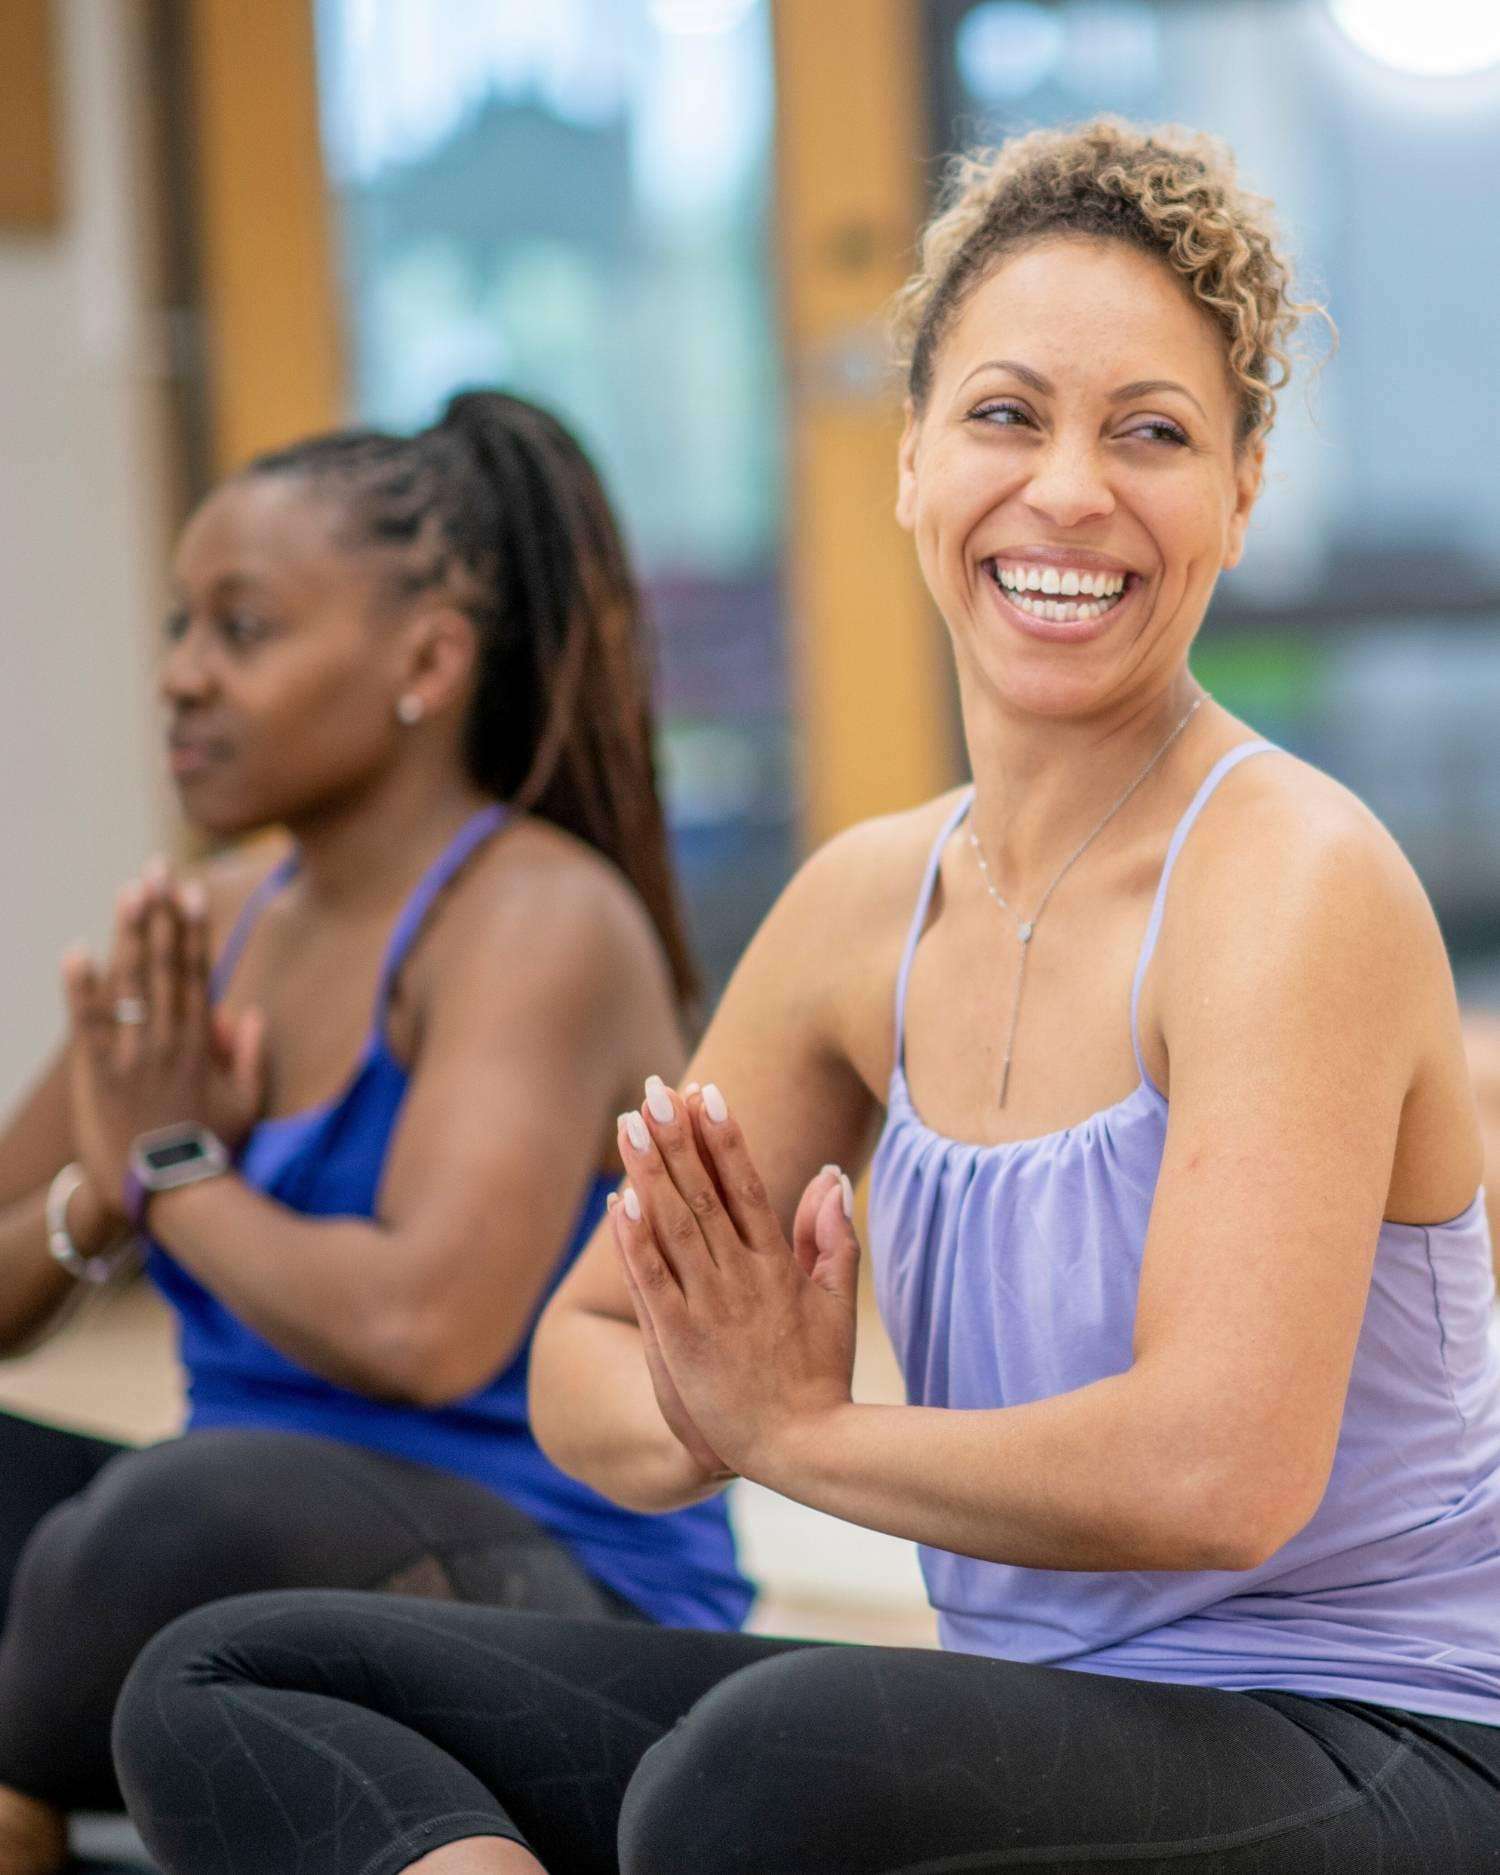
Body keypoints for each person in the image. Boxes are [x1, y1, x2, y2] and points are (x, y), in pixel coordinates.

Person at [114, 119, 1500, 1875]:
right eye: (1006, 415)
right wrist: (718, 1399)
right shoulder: (865, 906)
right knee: (231, 1675)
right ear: (911, 463)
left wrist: (802, 1432)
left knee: (766, 1774)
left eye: (1149, 433)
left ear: (1240, 490)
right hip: (1031, 1729)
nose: (1068, 488)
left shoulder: (1293, 880)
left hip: (1387, 1736)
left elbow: (1219, 1475)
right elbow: (584, 1356)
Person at [0, 391, 751, 1875]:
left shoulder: (538, 923)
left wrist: (176, 1174)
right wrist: (108, 1187)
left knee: (176, 1513)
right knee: (164, 1517)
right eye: (177, 629)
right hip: (226, 1562)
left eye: (244, 630)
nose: (183, 680)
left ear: (425, 661)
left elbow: (423, 1330)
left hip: (545, 1595)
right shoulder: (209, 921)